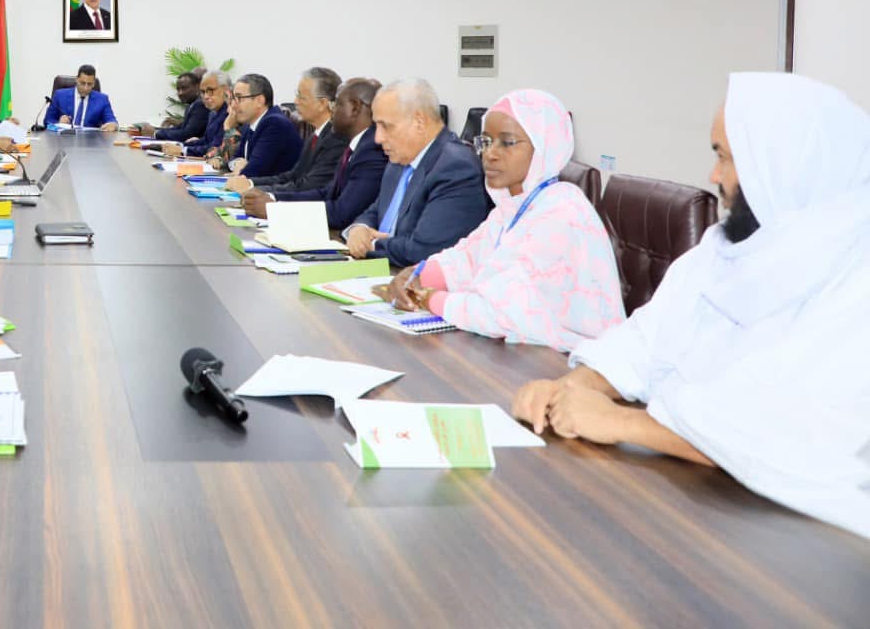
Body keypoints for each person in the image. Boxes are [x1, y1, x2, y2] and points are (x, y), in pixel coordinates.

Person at [512, 73, 870, 540]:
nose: (713, 176)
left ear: (784, 164)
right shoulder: (726, 247)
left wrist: (622, 422)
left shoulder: (854, 273)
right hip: (696, 502)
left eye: (725, 157)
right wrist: (568, 389)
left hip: (797, 542)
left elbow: (791, 437)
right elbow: (646, 340)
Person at [377, 89, 624, 351]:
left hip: (568, 362)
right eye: (486, 141)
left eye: (507, 143)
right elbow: (466, 258)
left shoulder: (561, 213)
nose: (490, 154)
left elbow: (500, 314)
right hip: (525, 353)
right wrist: (417, 275)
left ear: (543, 148)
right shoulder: (514, 204)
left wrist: (427, 297)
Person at [343, 77, 487, 266]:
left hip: (413, 278)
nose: (378, 138)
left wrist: (371, 244)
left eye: (386, 126)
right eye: (376, 126)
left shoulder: (456, 167)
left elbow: (423, 250)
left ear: (419, 122)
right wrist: (359, 228)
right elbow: (376, 210)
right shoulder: (399, 159)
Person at [243, 76, 385, 224]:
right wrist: (272, 198)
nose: (332, 110)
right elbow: (326, 193)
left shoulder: (372, 151)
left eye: (336, 104)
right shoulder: (356, 145)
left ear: (355, 108)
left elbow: (341, 212)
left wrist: (275, 209)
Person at [228, 67, 343, 198]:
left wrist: (255, 190)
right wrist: (250, 183)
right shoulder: (316, 135)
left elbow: (309, 186)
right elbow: (293, 176)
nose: (295, 102)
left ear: (322, 103)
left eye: (301, 97)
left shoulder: (336, 139)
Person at [227, 73, 301, 178]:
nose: (233, 105)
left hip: (274, 187)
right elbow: (234, 158)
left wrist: (242, 168)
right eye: (233, 98)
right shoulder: (251, 124)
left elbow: (252, 172)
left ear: (259, 101)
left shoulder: (275, 124)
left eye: (239, 98)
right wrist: (237, 163)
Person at [173, 70, 232, 158]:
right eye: (203, 92)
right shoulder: (213, 113)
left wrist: (183, 150)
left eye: (210, 91)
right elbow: (206, 141)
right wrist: (180, 146)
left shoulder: (230, 113)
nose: (206, 97)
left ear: (226, 90)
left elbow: (215, 147)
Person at [136, 70, 208, 140]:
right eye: (178, 89)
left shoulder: (200, 105)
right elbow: (180, 128)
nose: (180, 93)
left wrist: (156, 133)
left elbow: (186, 134)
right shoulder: (191, 105)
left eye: (184, 88)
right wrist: (157, 131)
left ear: (197, 86)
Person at [49, 64, 119, 130]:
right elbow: (48, 120)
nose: (86, 88)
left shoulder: (102, 100)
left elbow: (111, 120)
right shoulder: (60, 95)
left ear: (94, 83)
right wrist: (58, 123)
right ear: (77, 80)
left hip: (90, 138)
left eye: (89, 84)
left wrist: (113, 125)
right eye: (82, 83)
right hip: (65, 137)